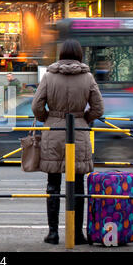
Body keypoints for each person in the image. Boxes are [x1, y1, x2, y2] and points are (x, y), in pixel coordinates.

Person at [31, 39, 104, 245]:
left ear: (61, 54)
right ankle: (76, 233)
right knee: (78, 185)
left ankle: (53, 233)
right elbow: (98, 108)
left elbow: (37, 105)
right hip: (78, 131)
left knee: (52, 184)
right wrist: (83, 119)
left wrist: (49, 118)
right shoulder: (88, 77)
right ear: (80, 54)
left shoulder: (49, 76)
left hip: (53, 130)